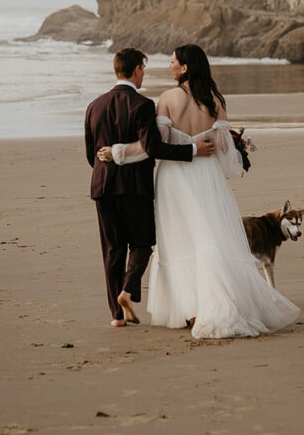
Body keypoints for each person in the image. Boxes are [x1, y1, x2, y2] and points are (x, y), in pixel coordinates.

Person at [97, 44, 299, 339]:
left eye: (173, 61)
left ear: (186, 67)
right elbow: (225, 151)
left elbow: (152, 146)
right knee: (210, 235)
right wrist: (224, 158)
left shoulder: (167, 98)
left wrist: (117, 152)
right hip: (206, 175)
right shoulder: (215, 99)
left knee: (180, 240)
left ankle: (191, 309)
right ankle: (216, 302)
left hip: (174, 177)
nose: (169, 65)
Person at [84, 47, 215, 328]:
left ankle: (116, 316)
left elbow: (89, 154)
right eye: (144, 69)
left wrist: (107, 168)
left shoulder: (94, 106)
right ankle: (127, 290)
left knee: (112, 250)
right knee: (142, 244)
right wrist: (193, 150)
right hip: (135, 187)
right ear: (137, 70)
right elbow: (152, 148)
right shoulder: (143, 105)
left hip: (102, 187)